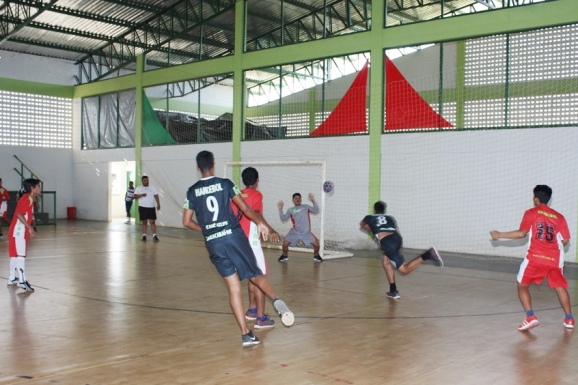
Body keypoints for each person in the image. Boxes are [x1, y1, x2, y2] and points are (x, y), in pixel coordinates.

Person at [182, 151, 294, 347]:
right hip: (233, 237)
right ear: (214, 165)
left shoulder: (191, 191)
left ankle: (246, 334)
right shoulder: (226, 184)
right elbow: (246, 209)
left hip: (213, 243)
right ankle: (276, 300)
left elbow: (186, 221)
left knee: (233, 289)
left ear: (198, 168)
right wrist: (260, 223)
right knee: (255, 274)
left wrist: (207, 231)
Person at [490, 185, 574, 331]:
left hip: (535, 258)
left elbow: (522, 233)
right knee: (560, 288)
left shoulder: (531, 213)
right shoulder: (559, 217)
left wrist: (499, 235)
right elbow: (565, 240)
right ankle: (569, 319)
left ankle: (530, 317)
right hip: (554, 259)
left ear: (536, 198)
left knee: (522, 285)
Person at [360, 201, 443, 299]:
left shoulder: (369, 217)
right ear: (384, 210)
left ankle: (428, 254)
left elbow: (362, 225)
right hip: (397, 239)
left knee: (404, 270)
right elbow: (397, 230)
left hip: (387, 243)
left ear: (374, 210)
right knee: (385, 261)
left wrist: (372, 229)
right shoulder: (390, 218)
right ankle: (393, 290)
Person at [233, 167, 275, 329]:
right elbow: (256, 213)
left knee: (252, 275)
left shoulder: (236, 195)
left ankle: (252, 310)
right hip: (251, 240)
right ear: (257, 180)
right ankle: (261, 318)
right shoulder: (256, 195)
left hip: (238, 240)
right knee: (260, 277)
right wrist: (269, 229)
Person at [7, 178, 41, 292]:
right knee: (21, 256)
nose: (39, 188)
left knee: (14, 255)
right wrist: (29, 227)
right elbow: (19, 214)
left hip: (16, 231)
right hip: (19, 231)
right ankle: (22, 281)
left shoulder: (29, 198)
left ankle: (12, 278)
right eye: (38, 186)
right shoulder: (26, 199)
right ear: (32, 188)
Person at [277, 192, 322, 263]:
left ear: (301, 200)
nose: (297, 199)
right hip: (295, 231)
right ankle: (285, 256)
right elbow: (283, 218)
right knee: (285, 244)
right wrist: (280, 209)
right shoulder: (290, 210)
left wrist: (313, 200)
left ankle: (316, 256)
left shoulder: (306, 207)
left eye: (299, 198)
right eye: (296, 198)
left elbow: (316, 210)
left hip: (306, 232)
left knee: (317, 245)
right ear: (293, 200)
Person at [134, 176, 160, 241]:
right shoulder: (139, 188)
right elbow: (135, 196)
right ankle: (144, 236)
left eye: (147, 180)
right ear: (142, 181)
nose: (146, 181)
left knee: (152, 222)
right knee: (144, 222)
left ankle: (154, 236)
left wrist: (158, 204)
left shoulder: (152, 188)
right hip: (142, 207)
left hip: (151, 207)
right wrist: (141, 195)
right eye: (145, 180)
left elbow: (156, 195)